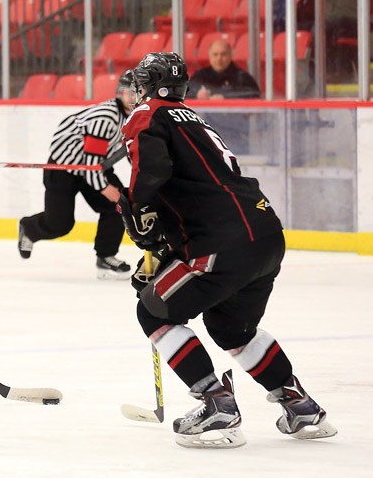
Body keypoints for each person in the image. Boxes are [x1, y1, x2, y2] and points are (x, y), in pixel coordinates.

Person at [119, 52, 337, 448]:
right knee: (232, 329)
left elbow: (151, 174)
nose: (135, 92)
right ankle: (300, 405)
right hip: (265, 235)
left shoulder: (147, 114)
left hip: (222, 243)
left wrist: (137, 212)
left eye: (140, 84)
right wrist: (162, 249)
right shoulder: (193, 120)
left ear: (151, 86)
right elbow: (196, 190)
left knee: (152, 311)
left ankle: (216, 403)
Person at [17, 70, 134, 280]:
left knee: (119, 206)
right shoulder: (106, 117)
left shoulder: (132, 117)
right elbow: (90, 165)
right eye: (130, 93)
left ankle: (106, 256)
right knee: (60, 224)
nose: (135, 98)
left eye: (139, 93)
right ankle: (29, 228)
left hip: (94, 166)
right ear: (120, 93)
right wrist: (107, 189)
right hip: (64, 169)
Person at [188, 39, 260, 100]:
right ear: (210, 56)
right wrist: (197, 93)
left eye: (223, 54)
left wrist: (225, 97)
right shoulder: (201, 75)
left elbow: (254, 93)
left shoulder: (241, 76)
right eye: (215, 54)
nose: (219, 58)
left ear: (230, 55)